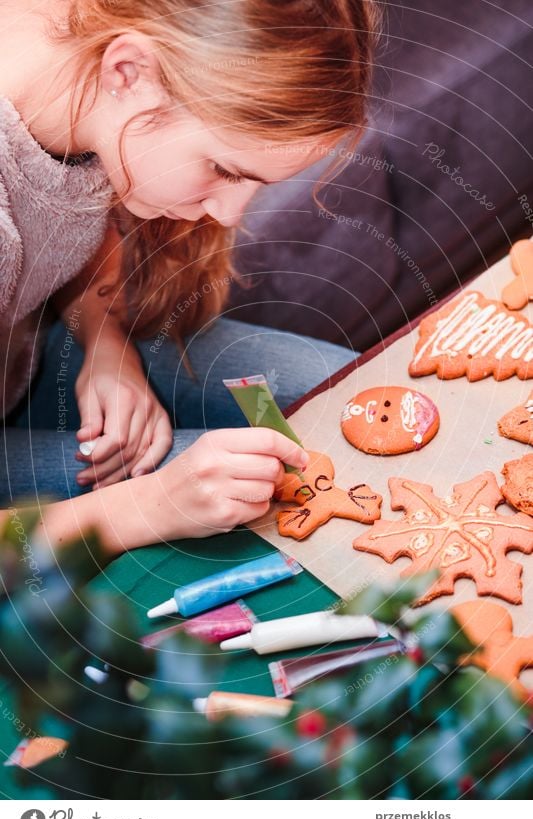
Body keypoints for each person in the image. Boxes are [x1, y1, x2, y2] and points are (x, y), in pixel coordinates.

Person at [0, 0, 377, 558]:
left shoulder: (81, 81)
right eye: (224, 169)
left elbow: (70, 211)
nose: (228, 215)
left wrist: (109, 346)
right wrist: (153, 505)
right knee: (267, 491)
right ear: (128, 72)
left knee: (358, 400)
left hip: (32, 353)